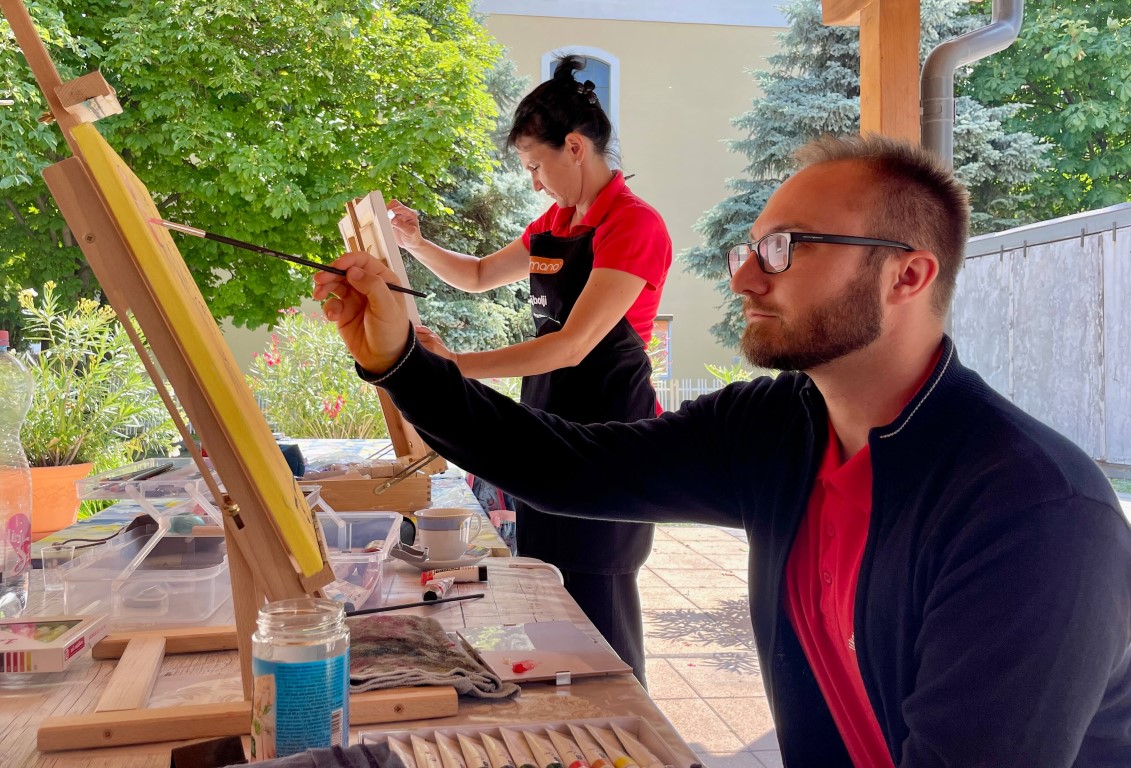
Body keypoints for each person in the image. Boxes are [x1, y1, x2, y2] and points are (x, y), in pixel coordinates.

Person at [314, 134, 1131, 766]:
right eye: (750, 249)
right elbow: (573, 467)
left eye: (786, 248)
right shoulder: (782, 425)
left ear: (906, 277)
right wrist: (400, 363)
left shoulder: (1033, 513)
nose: (743, 279)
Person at [381, 55, 672, 685]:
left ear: (575, 148)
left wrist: (454, 368)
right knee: (549, 588)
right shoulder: (556, 224)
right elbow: (480, 274)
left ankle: (626, 725)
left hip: (609, 433)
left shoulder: (633, 224)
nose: (535, 184)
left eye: (537, 166)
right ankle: (567, 721)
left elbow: (573, 345)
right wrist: (415, 243)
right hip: (548, 420)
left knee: (600, 601)